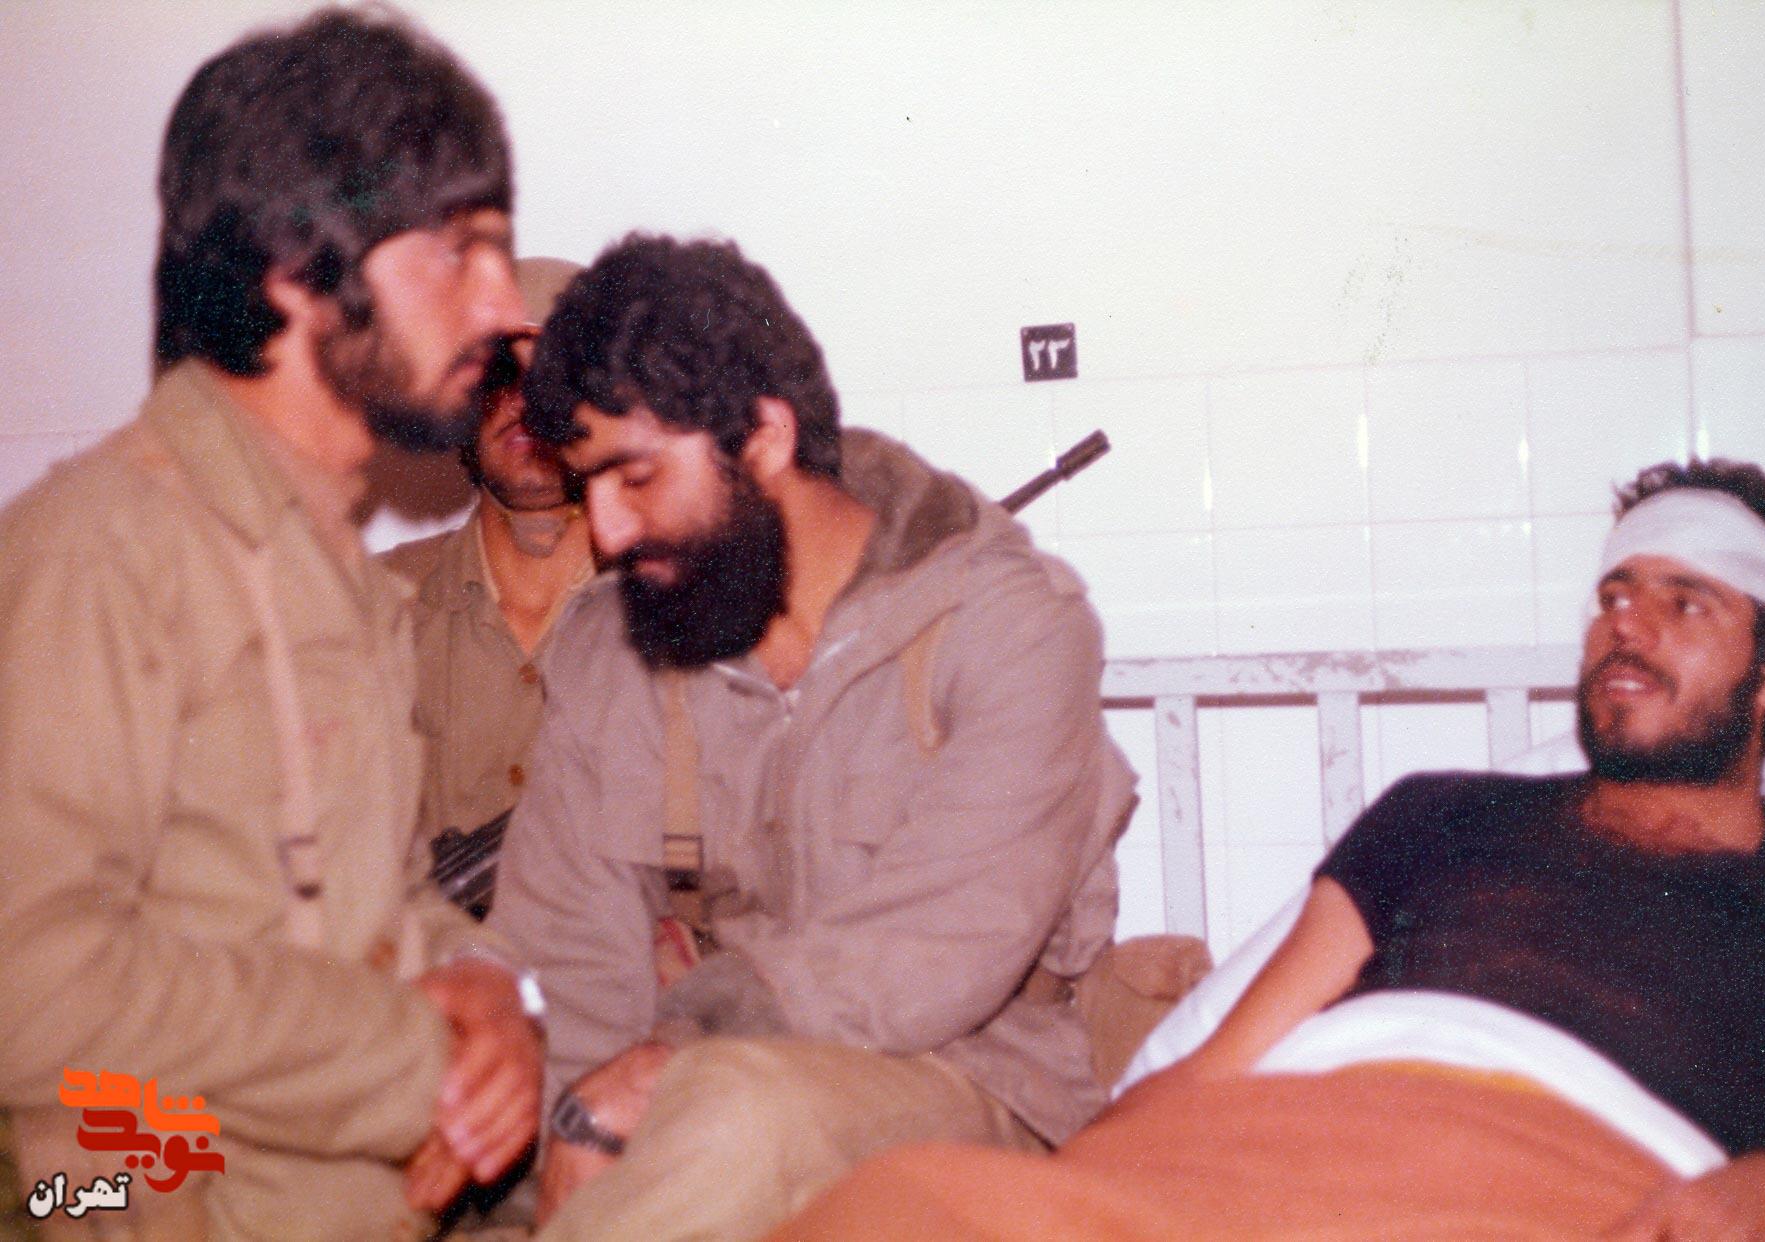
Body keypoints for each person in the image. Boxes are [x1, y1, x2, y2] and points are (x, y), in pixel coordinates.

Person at [776, 458, 1765, 1242]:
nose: (1628, 626)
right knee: (903, 1202)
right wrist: (1085, 1183)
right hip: (1275, 1134)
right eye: (1616, 595)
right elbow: (1220, 1059)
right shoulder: (1443, 813)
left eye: (1686, 602)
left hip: (1560, 1175)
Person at [0, 10, 542, 1238]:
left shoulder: (334, 567)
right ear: (297, 269)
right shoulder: (102, 550)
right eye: (460, 251)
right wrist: (409, 1063)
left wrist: (492, 994)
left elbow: (369, 909)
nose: (505, 306)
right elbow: (27, 984)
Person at [487, 234, 1132, 1241]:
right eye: (587, 486)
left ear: (764, 438)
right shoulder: (617, 647)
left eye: (636, 478)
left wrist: (675, 1052)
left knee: (730, 1117)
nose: (604, 531)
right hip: (684, 1091)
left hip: (968, 1082)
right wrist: (559, 1124)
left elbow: (935, 949)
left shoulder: (1013, 626)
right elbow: (565, 952)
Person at [385, 256, 593, 921]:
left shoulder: (682, 617)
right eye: (498, 373)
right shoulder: (369, 609)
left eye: (554, 378)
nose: (525, 402)